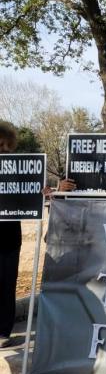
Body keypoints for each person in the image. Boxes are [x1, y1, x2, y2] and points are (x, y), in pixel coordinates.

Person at [0, 121, 21, 348]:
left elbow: (33, 194)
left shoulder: (18, 170)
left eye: (7, 146)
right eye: (0, 144)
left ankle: (3, 332)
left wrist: (48, 191)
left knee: (8, 285)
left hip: (11, 239)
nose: (4, 149)